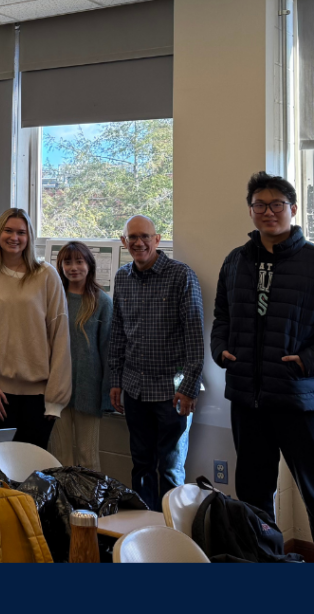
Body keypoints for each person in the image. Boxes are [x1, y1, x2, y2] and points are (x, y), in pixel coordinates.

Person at [212, 172, 314, 526]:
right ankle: (264, 564)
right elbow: (221, 314)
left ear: (293, 209)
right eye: (259, 205)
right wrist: (220, 347)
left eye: (276, 204)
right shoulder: (236, 260)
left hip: (297, 396)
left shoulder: (311, 261)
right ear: (251, 210)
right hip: (246, 398)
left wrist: (306, 361)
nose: (268, 212)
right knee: (253, 495)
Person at [108, 214, 204, 512]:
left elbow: (195, 337)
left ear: (157, 239)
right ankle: (145, 533)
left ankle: (174, 538)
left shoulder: (181, 276)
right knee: (141, 467)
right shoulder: (122, 277)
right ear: (124, 242)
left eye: (145, 237)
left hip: (171, 393)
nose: (138, 243)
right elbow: (118, 332)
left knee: (171, 470)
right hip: (135, 390)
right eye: (132, 238)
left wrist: (189, 387)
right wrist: (115, 379)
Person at [0, 207, 71, 448]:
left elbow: (60, 339)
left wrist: (55, 399)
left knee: (30, 476)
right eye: (8, 231)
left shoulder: (47, 276)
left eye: (21, 232)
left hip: (39, 399)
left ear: (29, 237)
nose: (14, 237)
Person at [49, 241, 113, 470]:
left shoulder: (102, 302)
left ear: (89, 264)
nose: (73, 267)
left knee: (88, 457)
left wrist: (107, 396)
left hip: (89, 391)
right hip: (57, 390)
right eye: (67, 262)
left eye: (79, 261)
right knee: (59, 456)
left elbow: (108, 351)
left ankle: (89, 505)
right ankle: (62, 505)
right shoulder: (54, 299)